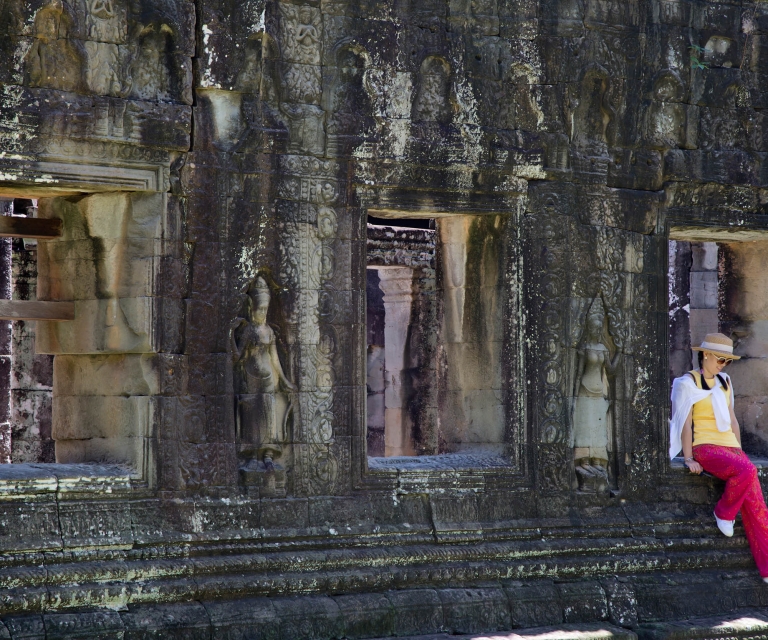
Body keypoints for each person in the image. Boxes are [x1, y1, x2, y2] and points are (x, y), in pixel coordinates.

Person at [669, 332, 768, 583]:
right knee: (748, 473)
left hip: (730, 447)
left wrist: (741, 451)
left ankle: (767, 569)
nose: (723, 365)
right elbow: (685, 423)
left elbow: (732, 420)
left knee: (758, 506)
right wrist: (688, 457)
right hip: (705, 447)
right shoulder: (687, 382)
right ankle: (723, 512)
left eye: (727, 361)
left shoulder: (725, 382)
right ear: (706, 355)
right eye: (720, 359)